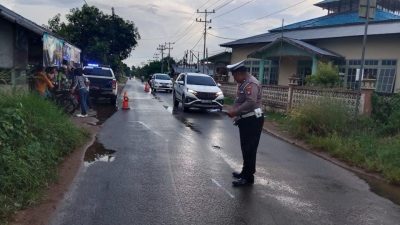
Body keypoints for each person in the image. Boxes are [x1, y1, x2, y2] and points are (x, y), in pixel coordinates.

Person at [226, 60, 264, 187]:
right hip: (246, 119)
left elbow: (251, 102)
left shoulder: (251, 83)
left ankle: (248, 177)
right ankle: (245, 173)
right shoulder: (243, 83)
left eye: (235, 75)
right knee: (245, 147)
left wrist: (235, 111)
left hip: (253, 120)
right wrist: (235, 112)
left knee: (250, 148)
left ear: (241, 73)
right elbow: (240, 100)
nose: (234, 78)